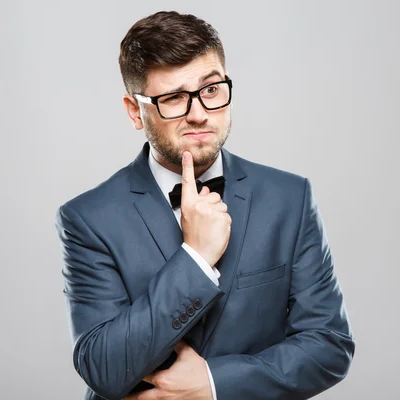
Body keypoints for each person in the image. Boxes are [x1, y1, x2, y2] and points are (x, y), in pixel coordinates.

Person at [55, 10, 355, 400]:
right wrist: (195, 258)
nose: (199, 114)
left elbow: (329, 345)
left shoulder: (290, 198)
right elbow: (104, 368)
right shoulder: (87, 218)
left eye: (211, 90)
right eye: (174, 98)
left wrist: (213, 384)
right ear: (135, 111)